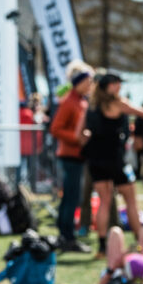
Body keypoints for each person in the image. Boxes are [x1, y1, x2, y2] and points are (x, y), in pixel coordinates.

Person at [81, 72, 143, 257]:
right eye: (116, 83)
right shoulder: (117, 103)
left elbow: (80, 133)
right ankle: (141, 243)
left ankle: (102, 247)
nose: (119, 87)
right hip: (114, 159)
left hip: (96, 159)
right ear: (108, 86)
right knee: (131, 201)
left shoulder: (91, 105)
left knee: (104, 202)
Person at [49, 63, 95, 253]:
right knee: (71, 197)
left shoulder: (80, 100)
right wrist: (78, 138)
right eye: (88, 81)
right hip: (70, 155)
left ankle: (66, 235)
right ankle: (67, 236)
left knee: (71, 196)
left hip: (77, 155)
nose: (90, 85)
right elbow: (55, 128)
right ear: (79, 82)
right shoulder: (69, 101)